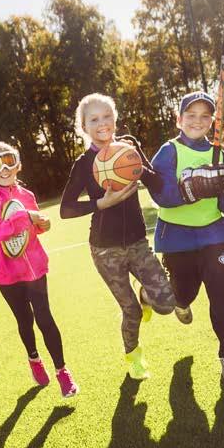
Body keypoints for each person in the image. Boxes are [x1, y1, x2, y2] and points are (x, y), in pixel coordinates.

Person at [149, 92, 224, 378]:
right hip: (176, 239)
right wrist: (190, 189)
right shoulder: (168, 151)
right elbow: (160, 196)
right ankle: (179, 300)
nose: (197, 121)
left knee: (222, 291)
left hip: (213, 235)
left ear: (213, 122)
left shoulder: (220, 155)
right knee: (185, 291)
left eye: (205, 116)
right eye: (190, 115)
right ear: (179, 119)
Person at [60, 94, 175, 380]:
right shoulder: (84, 164)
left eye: (107, 116)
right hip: (104, 250)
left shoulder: (128, 148)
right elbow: (65, 209)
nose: (102, 123)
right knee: (131, 312)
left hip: (137, 241)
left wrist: (135, 163)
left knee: (166, 303)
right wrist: (100, 203)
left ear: (115, 118)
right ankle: (134, 356)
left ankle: (146, 295)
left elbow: (156, 181)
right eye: (94, 119)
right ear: (84, 127)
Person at [0, 140, 78, 395]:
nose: (4, 169)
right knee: (25, 320)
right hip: (8, 275)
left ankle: (62, 371)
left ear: (18, 165)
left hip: (35, 269)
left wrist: (41, 225)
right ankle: (34, 359)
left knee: (45, 317)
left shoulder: (27, 196)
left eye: (9, 161)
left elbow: (28, 233)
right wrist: (24, 218)